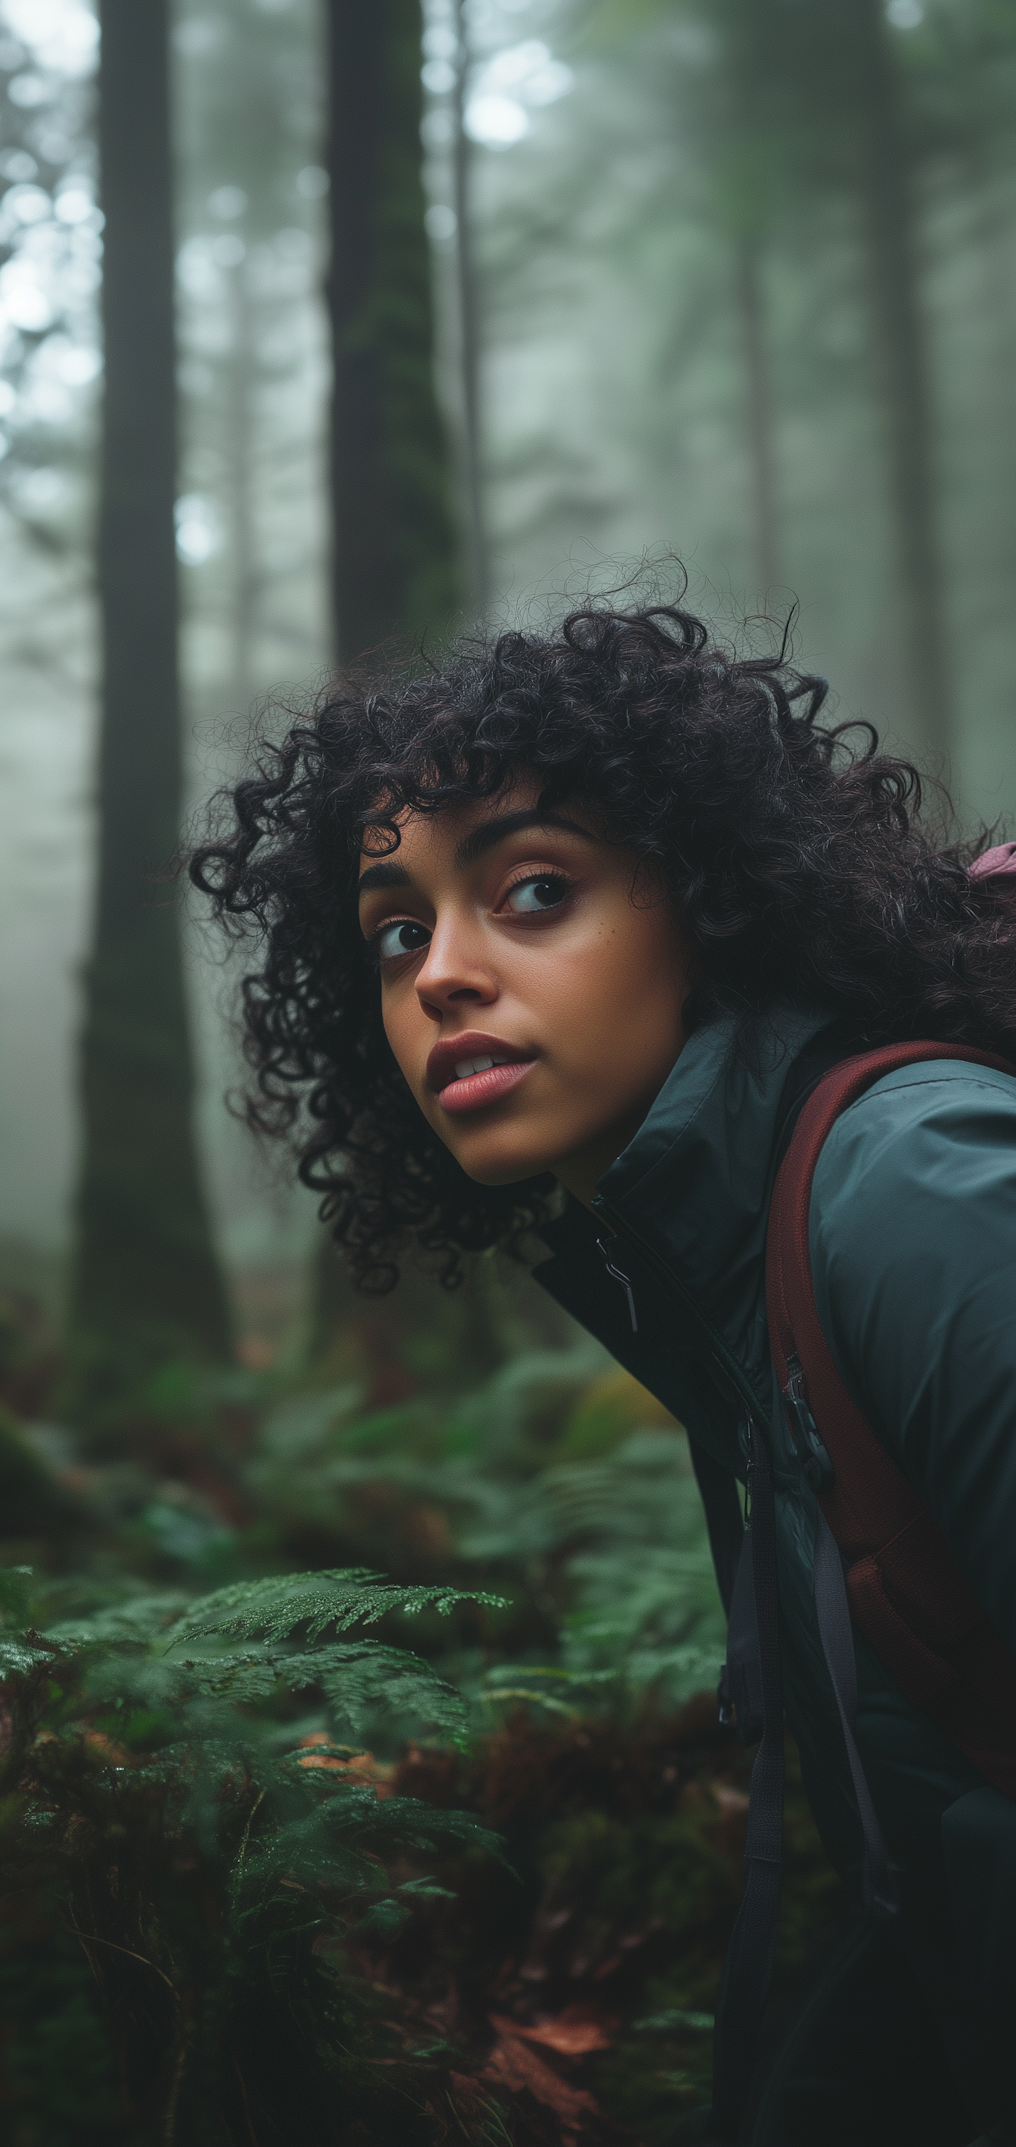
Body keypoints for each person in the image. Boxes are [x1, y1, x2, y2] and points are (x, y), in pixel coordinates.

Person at [188, 605, 1016, 2147]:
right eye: (395, 929)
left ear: (713, 902)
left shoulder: (914, 1197)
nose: (439, 973)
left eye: (536, 889)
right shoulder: (720, 1252)